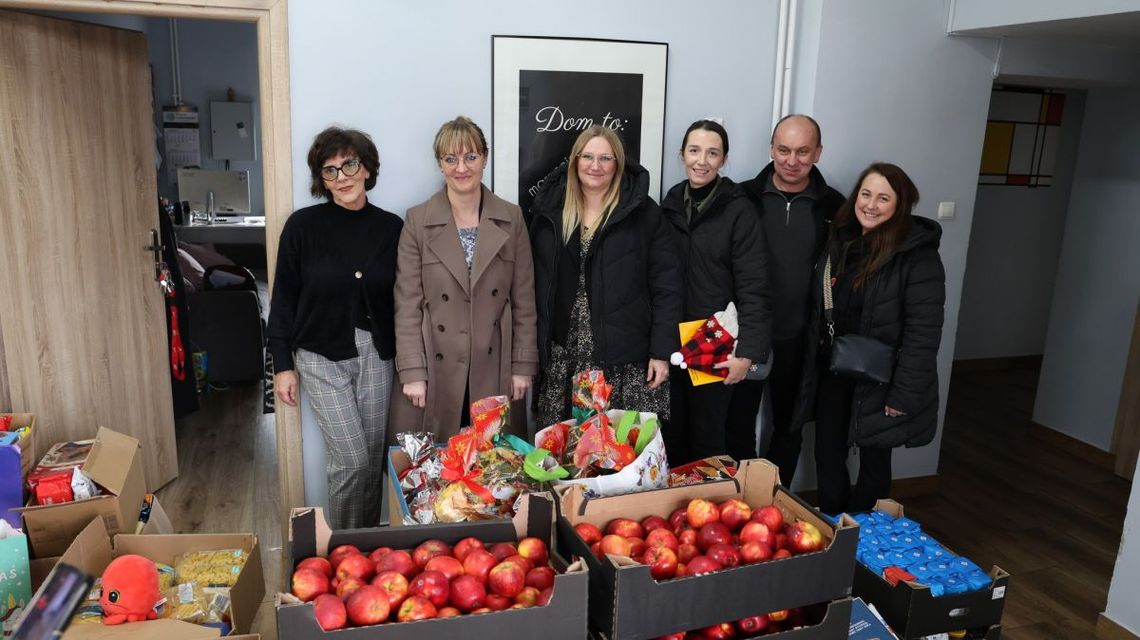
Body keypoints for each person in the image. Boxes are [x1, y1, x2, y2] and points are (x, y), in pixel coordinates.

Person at [266, 126, 403, 529]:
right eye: (330, 171)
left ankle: (369, 552)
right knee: (350, 461)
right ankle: (344, 556)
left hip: (377, 355)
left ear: (367, 169)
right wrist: (282, 365)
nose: (341, 177)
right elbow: (284, 298)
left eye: (349, 165)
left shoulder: (391, 228)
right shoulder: (302, 227)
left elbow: (406, 297)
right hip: (321, 355)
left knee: (373, 458)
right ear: (321, 180)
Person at [796, 162, 946, 514]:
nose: (871, 205)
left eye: (883, 198)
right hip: (837, 369)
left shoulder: (917, 257)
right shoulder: (841, 241)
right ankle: (834, 525)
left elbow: (923, 334)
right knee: (828, 452)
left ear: (901, 205)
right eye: (866, 194)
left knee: (874, 460)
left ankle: (866, 538)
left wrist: (904, 394)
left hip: (884, 379)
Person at [391, 116, 538, 439]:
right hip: (436, 365)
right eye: (451, 158)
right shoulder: (418, 220)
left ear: (484, 157)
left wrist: (521, 366)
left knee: (494, 468)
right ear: (440, 163)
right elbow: (407, 304)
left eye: (470, 157)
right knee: (437, 469)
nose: (462, 168)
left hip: (493, 362)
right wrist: (413, 371)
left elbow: (524, 299)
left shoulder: (511, 218)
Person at [530, 125, 681, 430]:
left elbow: (668, 286)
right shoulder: (551, 212)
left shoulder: (644, 214)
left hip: (624, 358)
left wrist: (662, 352)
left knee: (618, 453)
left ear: (618, 164)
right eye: (587, 157)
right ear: (574, 161)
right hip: (565, 355)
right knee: (566, 451)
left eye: (605, 158)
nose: (595, 166)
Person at [738, 114, 845, 482]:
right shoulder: (741, 198)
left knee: (789, 427)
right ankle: (738, 500)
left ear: (818, 152)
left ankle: (774, 502)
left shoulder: (835, 208)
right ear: (771, 149)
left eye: (802, 151)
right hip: (746, 336)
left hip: (802, 338)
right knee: (736, 425)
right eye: (783, 150)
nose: (791, 160)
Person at [661, 119, 772, 464]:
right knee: (670, 437)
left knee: (708, 442)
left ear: (724, 159)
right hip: (672, 343)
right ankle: (675, 516)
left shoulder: (739, 210)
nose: (702, 161)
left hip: (716, 343)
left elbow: (755, 286)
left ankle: (705, 514)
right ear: (682, 155)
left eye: (713, 153)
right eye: (694, 151)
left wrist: (748, 353)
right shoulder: (669, 204)